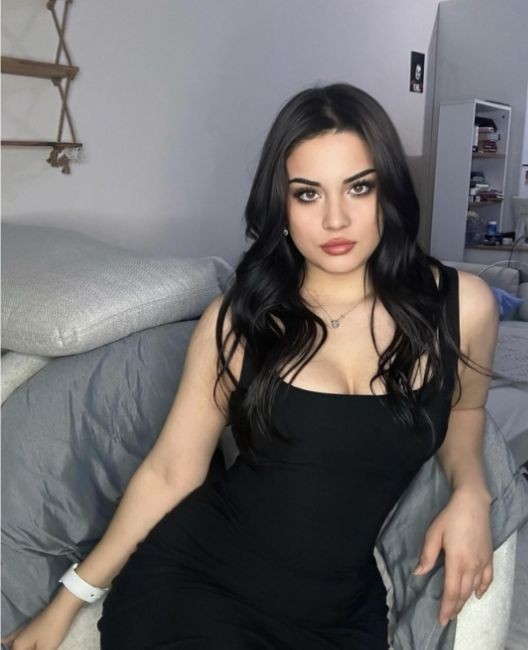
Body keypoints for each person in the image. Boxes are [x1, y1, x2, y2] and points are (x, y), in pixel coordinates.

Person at [3, 82, 498, 650]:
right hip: (198, 586)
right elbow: (171, 472)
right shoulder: (241, 320)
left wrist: (471, 491)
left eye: (358, 187)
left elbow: (466, 409)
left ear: (387, 190)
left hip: (340, 612)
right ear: (281, 206)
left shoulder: (463, 307)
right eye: (308, 194)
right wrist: (66, 603)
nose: (336, 219)